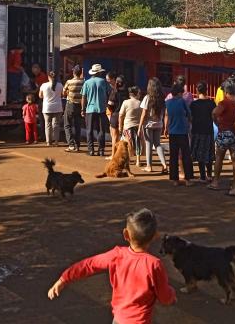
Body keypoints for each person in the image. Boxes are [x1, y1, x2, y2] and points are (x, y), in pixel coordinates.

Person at [48, 208, 176, 323]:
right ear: (155, 236)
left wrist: (64, 278)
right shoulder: (154, 264)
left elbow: (88, 265)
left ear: (126, 234)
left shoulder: (116, 255)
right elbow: (164, 297)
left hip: (119, 320)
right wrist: (172, 295)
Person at [208, 81, 235, 191]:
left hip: (224, 132)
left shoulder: (224, 102)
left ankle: (216, 181)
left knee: (219, 157)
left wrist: (217, 123)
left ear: (226, 91)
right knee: (234, 159)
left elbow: (214, 113)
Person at [166, 83, 194, 186]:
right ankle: (188, 179)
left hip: (172, 132)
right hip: (182, 131)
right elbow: (189, 114)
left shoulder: (167, 102)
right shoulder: (182, 101)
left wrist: (166, 128)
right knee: (186, 155)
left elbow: (167, 116)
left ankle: (175, 180)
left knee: (173, 156)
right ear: (179, 93)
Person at [140, 77, 168, 173]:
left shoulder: (147, 98)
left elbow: (143, 114)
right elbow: (164, 113)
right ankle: (164, 165)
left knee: (149, 144)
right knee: (157, 144)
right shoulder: (162, 98)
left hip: (148, 125)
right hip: (159, 124)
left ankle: (149, 166)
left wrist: (140, 126)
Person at [81, 64, 110, 157]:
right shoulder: (103, 82)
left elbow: (83, 97)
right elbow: (109, 93)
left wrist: (83, 109)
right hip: (101, 109)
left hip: (90, 109)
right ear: (99, 72)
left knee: (89, 130)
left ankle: (91, 150)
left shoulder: (87, 83)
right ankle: (101, 150)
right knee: (101, 130)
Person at [190, 82, 216, 182]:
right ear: (207, 90)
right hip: (208, 130)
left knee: (200, 154)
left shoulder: (193, 104)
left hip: (197, 130)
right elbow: (214, 117)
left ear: (197, 90)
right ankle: (209, 174)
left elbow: (190, 118)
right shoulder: (211, 103)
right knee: (209, 153)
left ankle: (202, 176)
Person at [62, 65, 85, 152]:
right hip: (80, 105)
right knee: (77, 125)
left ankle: (71, 144)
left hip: (70, 104)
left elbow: (63, 93)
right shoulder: (84, 82)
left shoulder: (69, 82)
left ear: (73, 72)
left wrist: (68, 92)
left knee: (67, 124)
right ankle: (77, 145)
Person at [120, 86, 143, 167]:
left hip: (127, 126)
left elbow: (121, 115)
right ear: (136, 94)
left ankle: (128, 160)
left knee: (127, 143)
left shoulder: (125, 102)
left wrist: (120, 126)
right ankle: (138, 161)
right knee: (138, 143)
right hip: (138, 126)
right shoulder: (140, 103)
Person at [39, 71, 64, 147]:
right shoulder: (60, 85)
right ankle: (56, 141)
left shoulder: (44, 85)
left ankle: (48, 142)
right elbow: (63, 95)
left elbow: (40, 96)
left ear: (48, 77)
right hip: (57, 107)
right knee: (56, 125)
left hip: (47, 108)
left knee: (47, 125)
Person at [107, 75, 129, 159]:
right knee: (126, 137)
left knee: (114, 137)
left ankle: (113, 155)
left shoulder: (114, 92)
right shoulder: (127, 93)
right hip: (125, 116)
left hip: (115, 116)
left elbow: (109, 105)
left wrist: (112, 111)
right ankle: (125, 156)